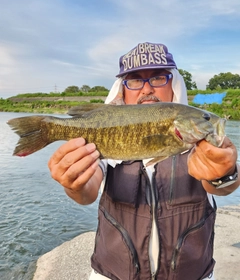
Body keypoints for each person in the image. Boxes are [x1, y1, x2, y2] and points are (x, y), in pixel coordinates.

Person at [48, 42, 240, 280]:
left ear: (174, 84)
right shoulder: (106, 141)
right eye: (135, 80)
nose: (147, 89)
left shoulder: (198, 143)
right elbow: (86, 193)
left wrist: (225, 172)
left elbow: (221, 185)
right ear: (122, 90)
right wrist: (73, 183)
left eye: (158, 78)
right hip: (113, 274)